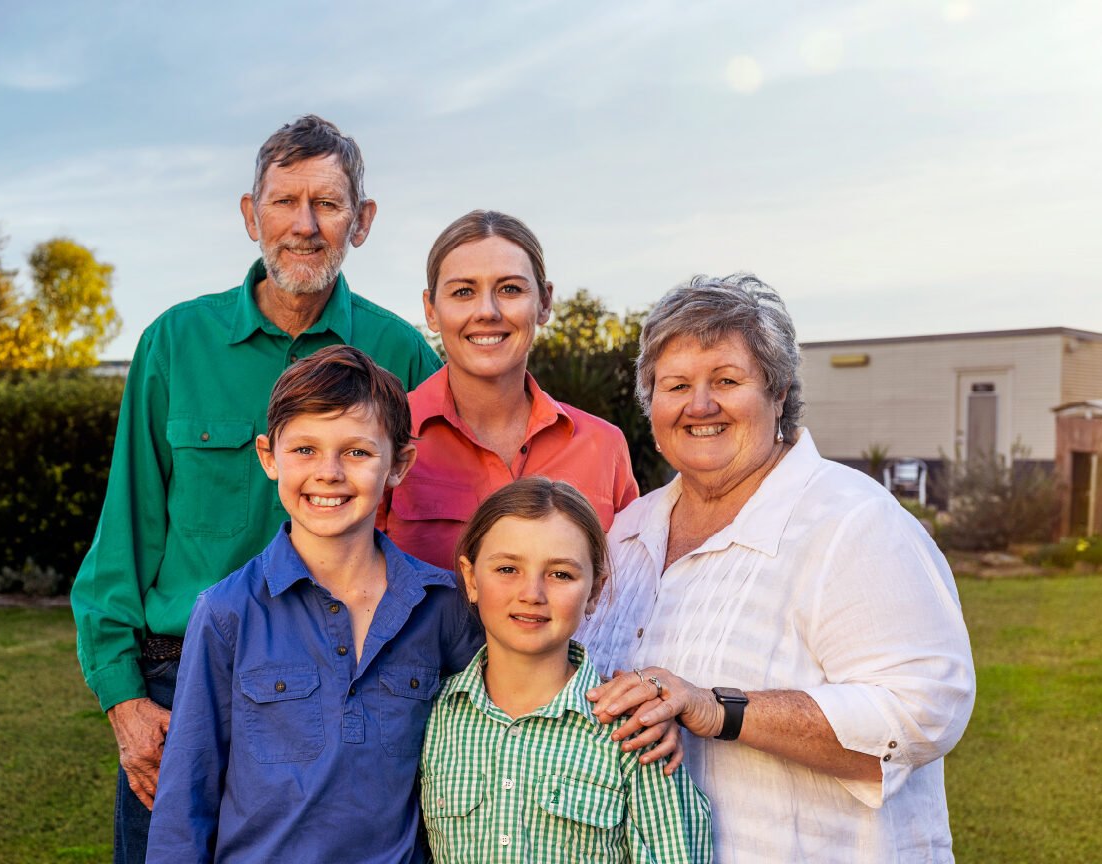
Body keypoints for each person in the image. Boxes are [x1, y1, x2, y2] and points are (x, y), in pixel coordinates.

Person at [68, 115, 443, 863]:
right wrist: (124, 697)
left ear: (362, 221)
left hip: (341, 683)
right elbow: (125, 530)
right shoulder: (175, 342)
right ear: (250, 214)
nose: (305, 225)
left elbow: (429, 521)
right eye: (284, 202)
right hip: (176, 682)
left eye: (328, 203)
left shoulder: (401, 353)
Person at [577, 273, 975, 862]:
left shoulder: (850, 520)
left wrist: (719, 709)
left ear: (779, 392)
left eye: (726, 380)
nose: (699, 405)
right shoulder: (627, 533)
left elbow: (925, 708)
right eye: (676, 385)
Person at [147, 345, 480, 863]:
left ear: (398, 464)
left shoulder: (442, 607)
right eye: (305, 449)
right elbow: (186, 798)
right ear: (268, 457)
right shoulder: (226, 612)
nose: (329, 472)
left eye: (357, 452)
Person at [422, 476, 711, 863]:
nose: (532, 594)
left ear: (594, 591)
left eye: (560, 574)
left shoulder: (634, 731)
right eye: (507, 569)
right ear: (471, 579)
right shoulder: (433, 715)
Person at [382, 210, 638, 573]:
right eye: (463, 292)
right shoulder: (384, 433)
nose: (487, 311)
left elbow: (624, 589)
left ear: (544, 303)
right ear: (431, 310)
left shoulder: (604, 446)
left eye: (510, 289)